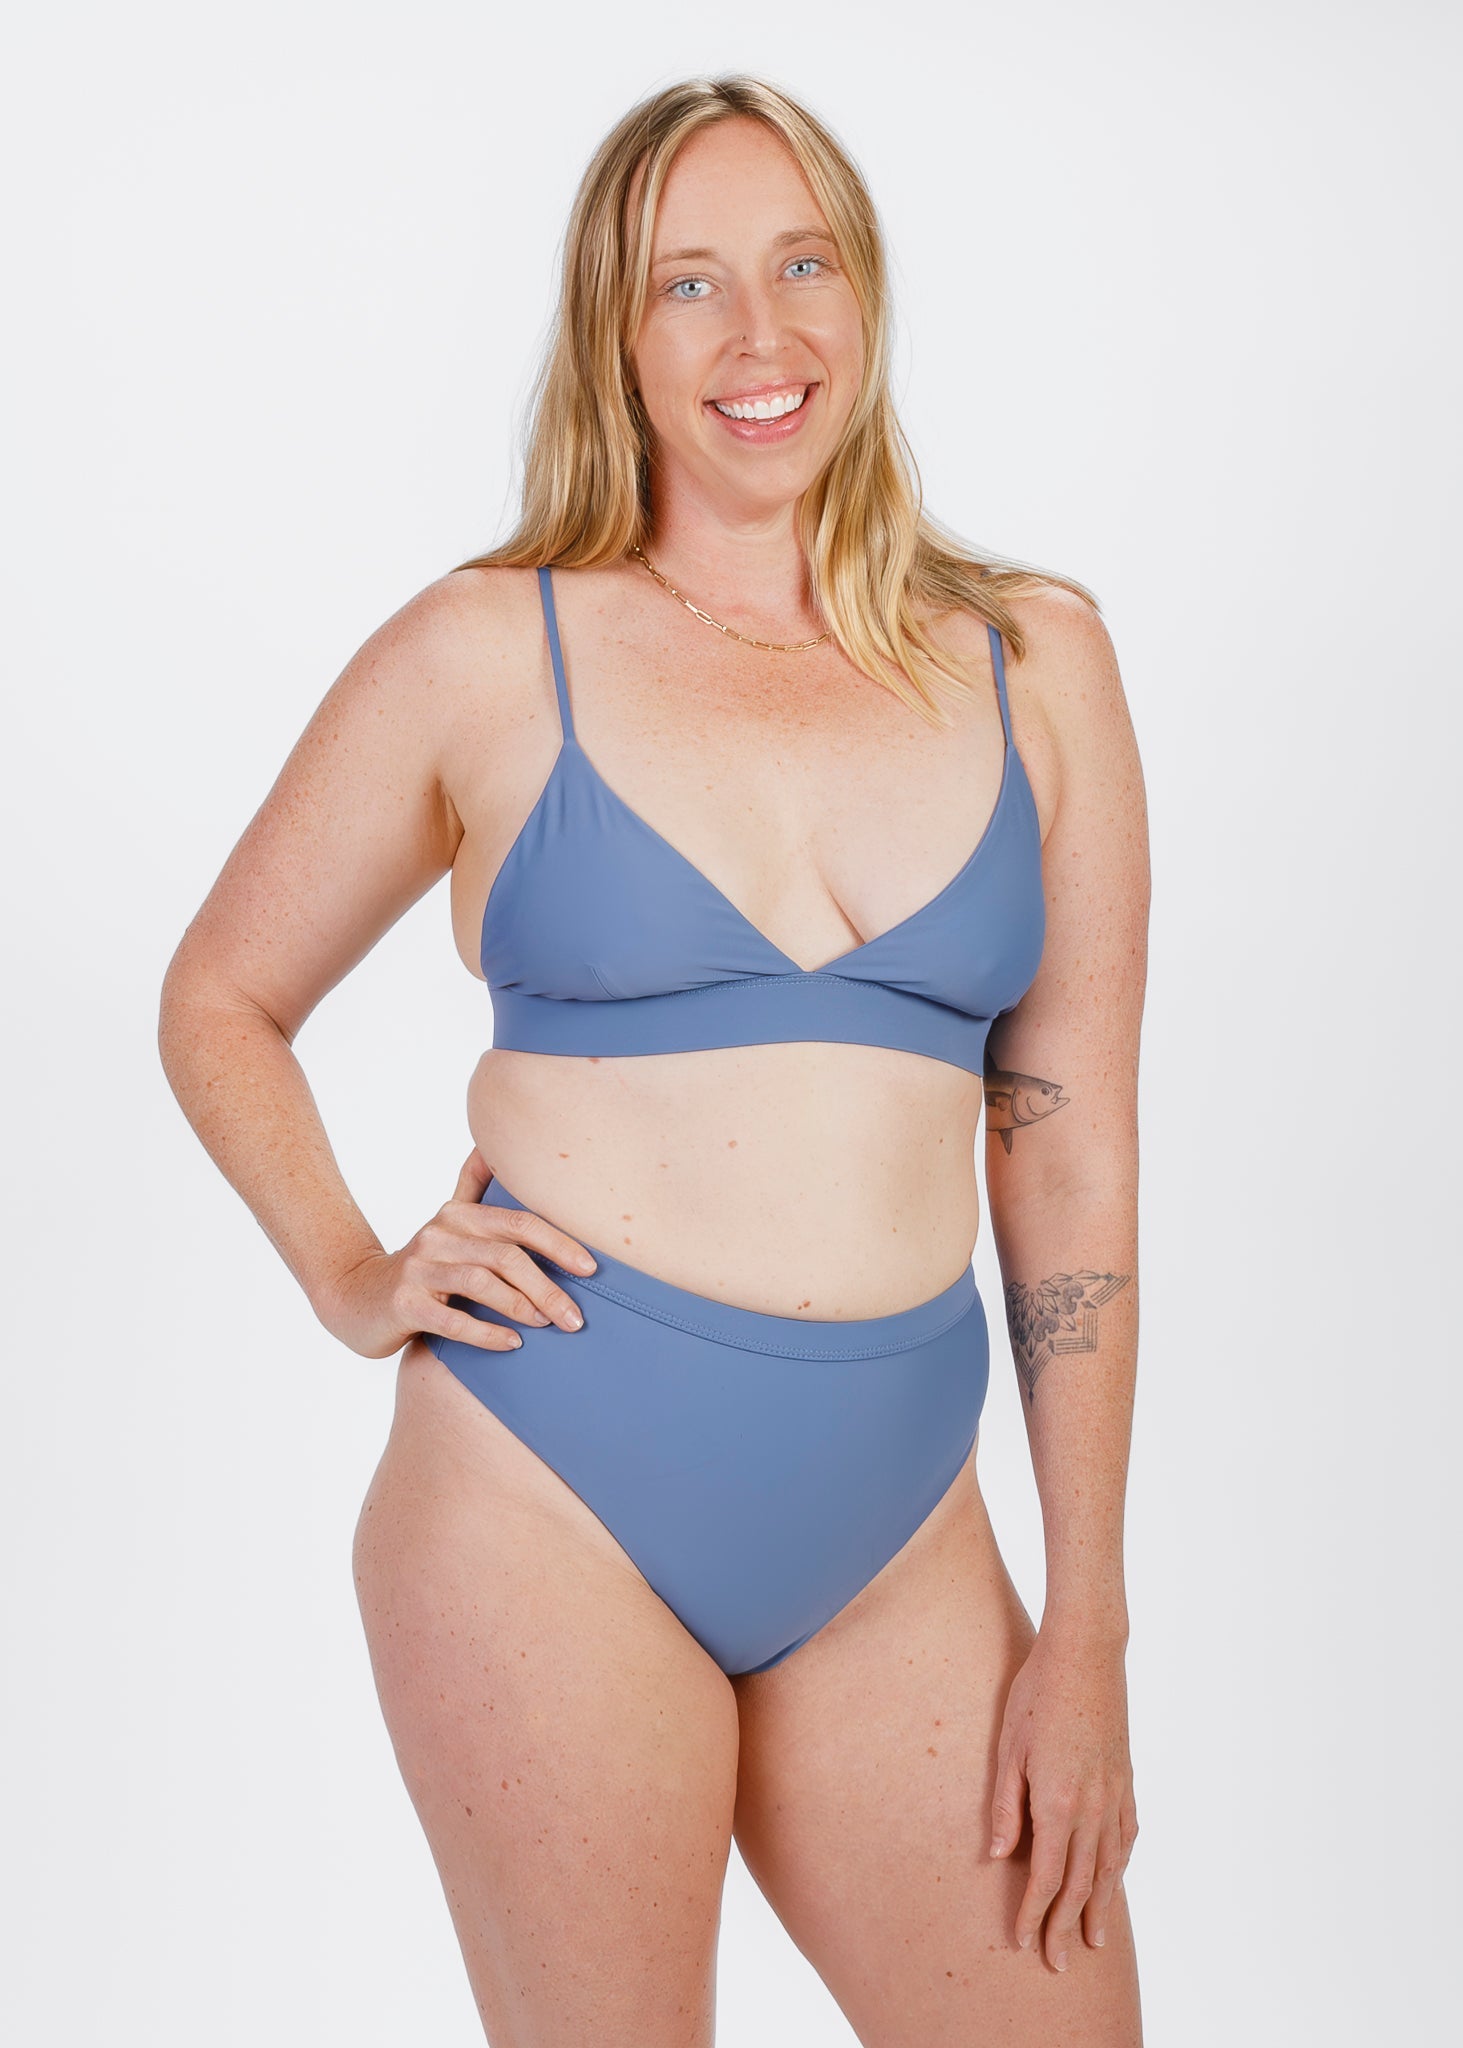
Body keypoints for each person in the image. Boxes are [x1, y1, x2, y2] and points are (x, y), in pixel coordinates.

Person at [159, 72, 1148, 2048]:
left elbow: (1070, 1150)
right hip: (549, 1492)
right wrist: (355, 1274)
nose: (758, 333)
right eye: (688, 284)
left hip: (900, 1529)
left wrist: (1091, 1623)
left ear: (867, 292)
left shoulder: (1035, 660)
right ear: (615, 337)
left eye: (802, 265)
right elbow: (220, 998)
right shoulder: (483, 650)